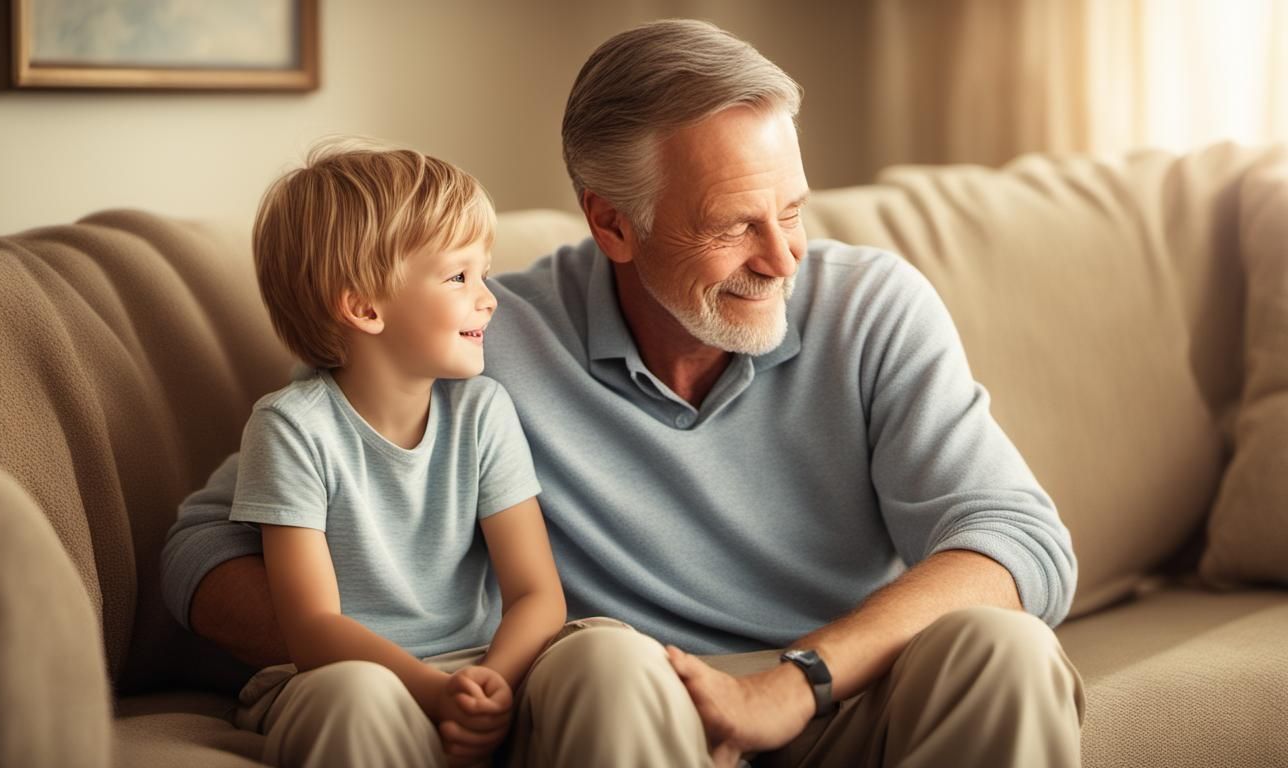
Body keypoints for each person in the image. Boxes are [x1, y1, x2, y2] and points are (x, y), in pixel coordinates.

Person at [163, 19, 1085, 768]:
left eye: (792, 210)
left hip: (839, 694)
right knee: (611, 667)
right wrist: (421, 672)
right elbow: (203, 551)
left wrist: (795, 682)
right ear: (612, 223)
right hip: (631, 711)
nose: (782, 258)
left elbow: (1018, 537)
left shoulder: (872, 309)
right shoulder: (481, 345)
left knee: (1007, 652)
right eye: (734, 225)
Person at [218, 141, 569, 767]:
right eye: (459, 276)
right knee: (357, 698)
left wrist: (489, 685)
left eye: (484, 272)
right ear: (363, 307)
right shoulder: (290, 428)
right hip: (344, 678)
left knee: (606, 654)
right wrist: (434, 693)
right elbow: (312, 630)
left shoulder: (483, 411)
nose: (488, 298)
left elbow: (537, 593)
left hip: (481, 668)